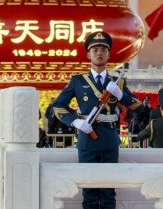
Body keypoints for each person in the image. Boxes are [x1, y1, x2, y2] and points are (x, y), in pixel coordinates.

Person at [51, 31, 141, 209]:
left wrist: (120, 95)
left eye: (103, 50)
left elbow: (138, 106)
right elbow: (58, 105)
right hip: (86, 139)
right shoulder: (78, 81)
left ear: (108, 54)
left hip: (109, 139)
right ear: (88, 54)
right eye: (95, 50)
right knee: (89, 191)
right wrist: (75, 121)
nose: (99, 53)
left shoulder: (117, 83)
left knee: (108, 191)